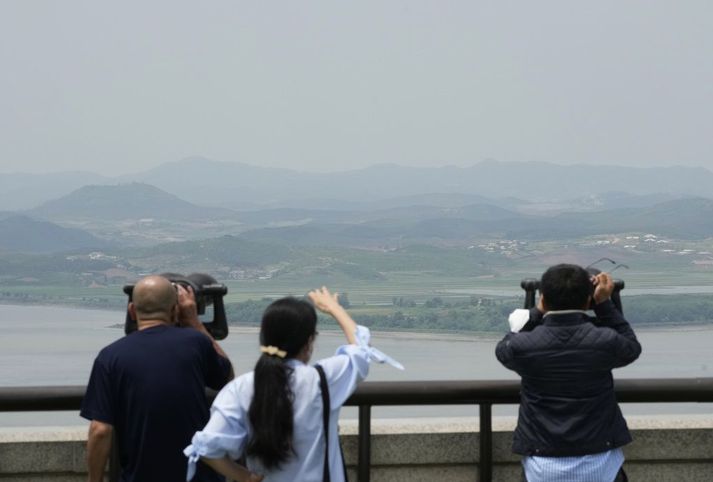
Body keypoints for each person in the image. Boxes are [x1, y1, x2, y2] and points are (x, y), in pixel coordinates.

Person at [184, 287, 403, 482]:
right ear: (309, 342)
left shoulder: (240, 388)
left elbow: (208, 449)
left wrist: (245, 477)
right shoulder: (323, 380)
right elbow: (361, 349)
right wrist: (334, 308)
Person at [496, 264, 642, 482]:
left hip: (541, 463)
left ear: (543, 298)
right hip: (601, 462)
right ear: (587, 299)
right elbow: (630, 347)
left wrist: (536, 312)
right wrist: (604, 304)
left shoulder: (522, 347)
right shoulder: (605, 341)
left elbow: (506, 346)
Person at [81, 275, 233, 482]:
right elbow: (226, 377)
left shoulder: (110, 357)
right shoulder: (196, 343)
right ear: (174, 310)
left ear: (132, 311)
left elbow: (100, 430)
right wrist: (195, 323)